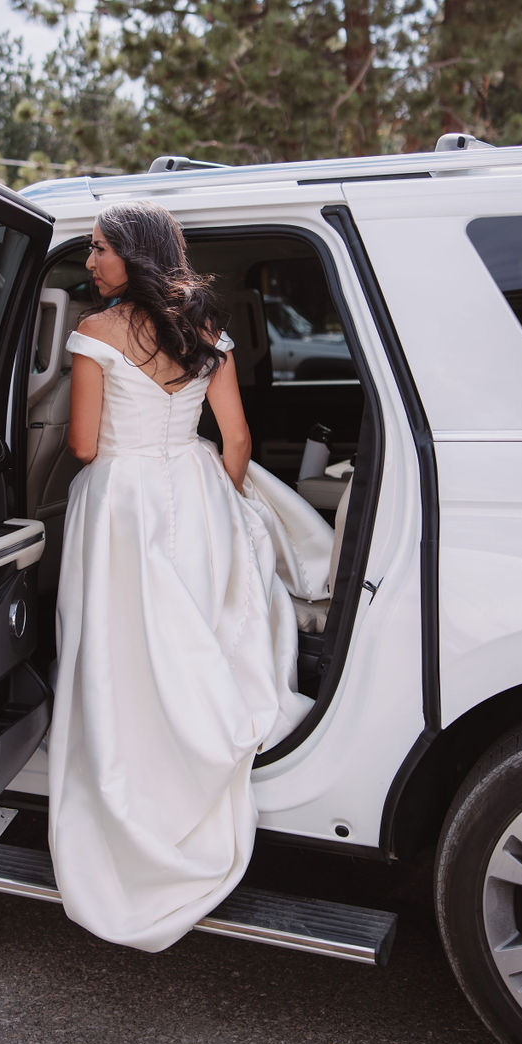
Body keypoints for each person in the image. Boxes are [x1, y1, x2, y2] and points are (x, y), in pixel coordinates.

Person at [47, 200, 335, 952]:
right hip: (199, 488)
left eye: (100, 249)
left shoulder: (94, 332)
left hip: (123, 501)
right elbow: (234, 436)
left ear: (132, 254)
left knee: (124, 640)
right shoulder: (204, 326)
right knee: (197, 624)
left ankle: (136, 759)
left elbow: (82, 445)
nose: (90, 261)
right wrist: (226, 501)